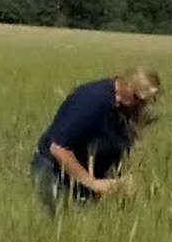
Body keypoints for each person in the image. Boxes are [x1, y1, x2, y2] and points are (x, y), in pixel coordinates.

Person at [29, 65, 162, 210]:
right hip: (55, 174)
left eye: (145, 102)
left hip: (87, 177)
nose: (140, 106)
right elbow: (59, 149)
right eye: (136, 98)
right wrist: (93, 183)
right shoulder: (91, 101)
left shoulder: (127, 107)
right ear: (126, 82)